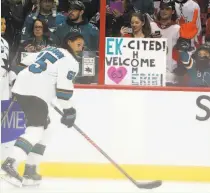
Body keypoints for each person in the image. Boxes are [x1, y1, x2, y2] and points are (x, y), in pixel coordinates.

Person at [1, 32, 85, 187]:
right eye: (78, 44)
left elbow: (22, 64)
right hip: (36, 94)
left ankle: (30, 170)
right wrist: (69, 111)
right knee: (36, 129)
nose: (81, 48)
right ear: (69, 42)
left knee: (46, 129)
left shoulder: (50, 50)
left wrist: (17, 81)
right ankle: (9, 164)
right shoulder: (70, 61)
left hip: (22, 89)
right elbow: (63, 92)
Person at [1, 14, 16, 100]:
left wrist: (12, 78)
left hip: (4, 82)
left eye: (5, 24)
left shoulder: (5, 42)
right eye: (1, 24)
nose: (4, 26)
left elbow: (7, 63)